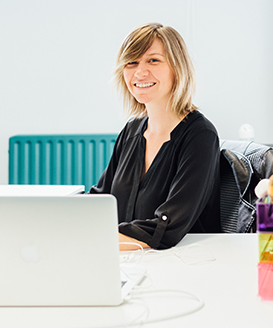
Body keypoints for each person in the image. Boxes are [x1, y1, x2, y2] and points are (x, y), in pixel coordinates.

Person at [90, 23, 221, 250]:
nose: (140, 72)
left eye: (153, 60)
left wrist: (93, 240)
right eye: (132, 62)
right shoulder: (131, 131)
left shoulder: (201, 136)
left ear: (177, 68)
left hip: (181, 261)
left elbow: (166, 229)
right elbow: (102, 199)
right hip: (128, 258)